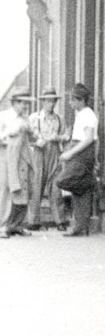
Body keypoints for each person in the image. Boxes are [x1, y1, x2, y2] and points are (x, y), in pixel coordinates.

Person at [58, 83, 98, 237]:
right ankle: (80, 226)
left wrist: (70, 153)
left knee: (63, 181)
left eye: (73, 100)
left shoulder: (88, 115)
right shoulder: (81, 114)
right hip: (80, 152)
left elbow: (89, 139)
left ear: (81, 100)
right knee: (78, 190)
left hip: (82, 154)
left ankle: (80, 225)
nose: (70, 103)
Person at [28, 87, 68, 231]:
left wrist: (58, 137)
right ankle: (33, 221)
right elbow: (27, 137)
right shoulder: (34, 118)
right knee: (37, 185)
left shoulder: (59, 119)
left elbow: (66, 136)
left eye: (54, 101)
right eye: (49, 101)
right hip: (39, 153)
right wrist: (36, 142)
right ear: (43, 102)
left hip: (54, 152)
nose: (51, 104)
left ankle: (60, 221)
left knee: (55, 187)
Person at [0, 86, 36, 238]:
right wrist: (9, 136)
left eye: (27, 103)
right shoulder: (4, 117)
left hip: (22, 157)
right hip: (6, 158)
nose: (25, 106)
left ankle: (16, 225)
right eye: (23, 103)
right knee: (7, 191)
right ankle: (2, 225)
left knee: (23, 189)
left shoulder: (25, 118)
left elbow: (32, 136)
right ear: (14, 103)